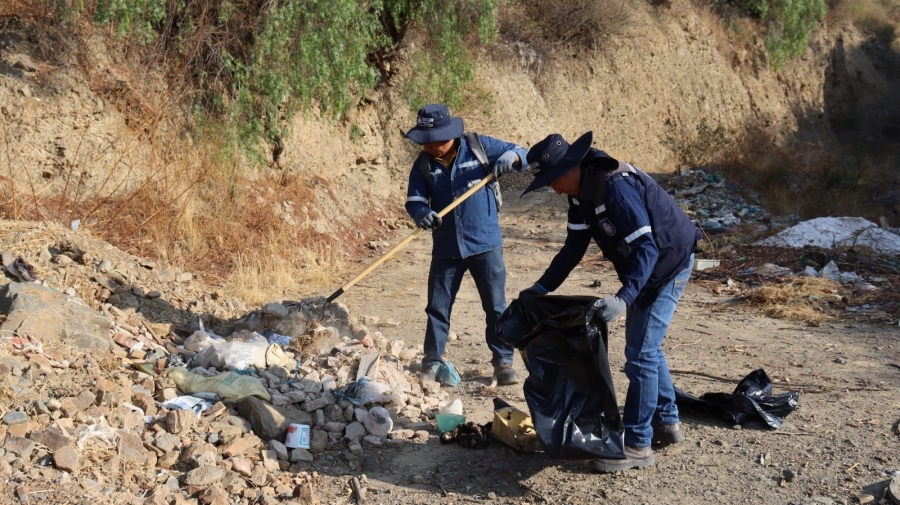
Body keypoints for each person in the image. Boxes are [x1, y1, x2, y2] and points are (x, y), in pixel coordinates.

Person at [520, 132, 701, 472]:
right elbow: (573, 248)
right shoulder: (579, 195)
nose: (555, 189)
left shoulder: (614, 188)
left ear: (574, 166)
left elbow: (648, 249)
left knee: (641, 353)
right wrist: (541, 287)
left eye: (555, 180)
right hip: (645, 268)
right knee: (646, 346)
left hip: (668, 264)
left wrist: (623, 298)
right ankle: (667, 421)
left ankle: (637, 444)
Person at [405, 103, 528, 386]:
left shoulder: (478, 146)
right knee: (437, 307)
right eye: (425, 143)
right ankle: (432, 362)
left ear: (447, 135)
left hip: (485, 242)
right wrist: (422, 214)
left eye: (433, 142)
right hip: (446, 247)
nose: (429, 148)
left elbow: (523, 153)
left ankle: (503, 362)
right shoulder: (423, 165)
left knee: (495, 306)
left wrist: (512, 156)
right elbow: (414, 200)